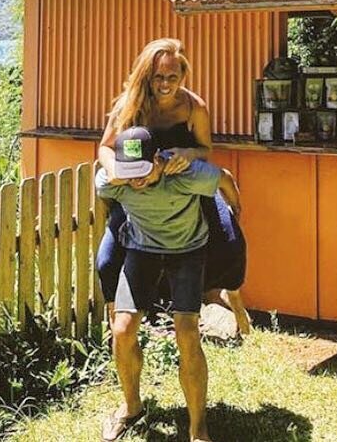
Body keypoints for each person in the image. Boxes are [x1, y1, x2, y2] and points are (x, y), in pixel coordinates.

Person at [97, 38, 251, 333]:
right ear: (147, 76)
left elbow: (205, 149)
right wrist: (115, 169)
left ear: (183, 76)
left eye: (172, 77)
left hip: (185, 185)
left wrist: (188, 154)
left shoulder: (194, 107)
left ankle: (234, 301)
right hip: (139, 190)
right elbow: (104, 147)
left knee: (231, 241)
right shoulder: (130, 103)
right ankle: (116, 331)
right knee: (107, 261)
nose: (165, 84)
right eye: (158, 77)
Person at [97, 127, 240, 442]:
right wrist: (118, 175)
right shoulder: (115, 182)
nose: (136, 179)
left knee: (187, 333)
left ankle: (198, 427)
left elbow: (225, 179)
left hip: (187, 251)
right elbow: (102, 184)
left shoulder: (186, 174)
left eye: (142, 169)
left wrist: (235, 214)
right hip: (141, 250)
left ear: (159, 160)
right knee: (122, 330)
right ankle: (132, 407)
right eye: (128, 171)